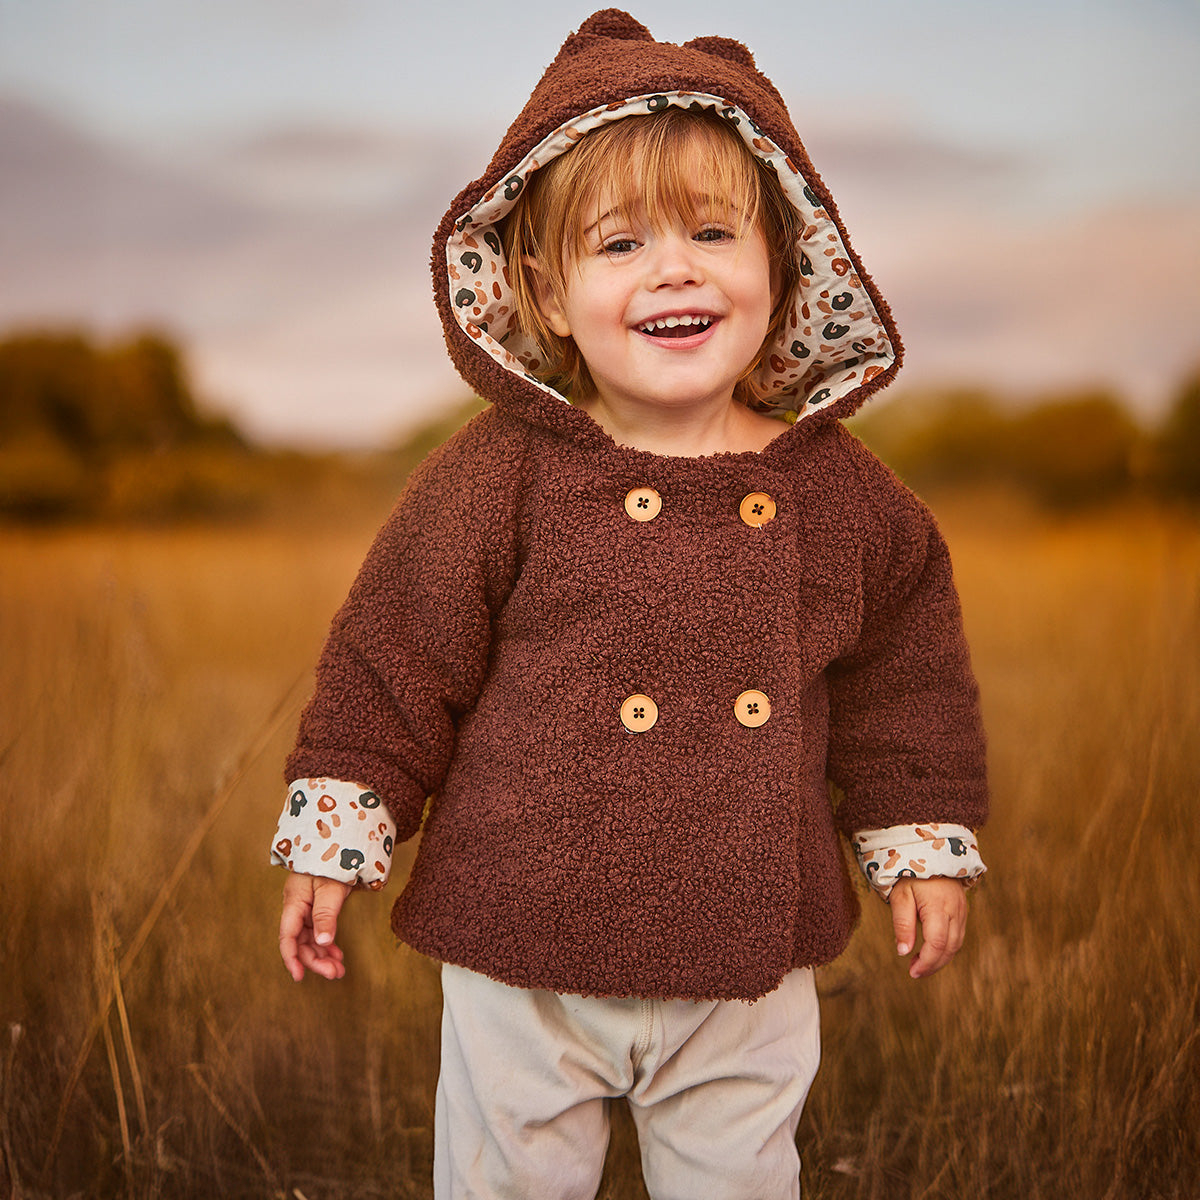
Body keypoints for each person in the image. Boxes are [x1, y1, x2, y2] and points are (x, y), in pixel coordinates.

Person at [271, 10, 988, 1198]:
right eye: (619, 246)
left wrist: (917, 837)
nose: (674, 268)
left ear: (787, 267)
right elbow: (395, 657)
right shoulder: (503, 471)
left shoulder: (840, 496)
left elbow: (904, 678)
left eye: (715, 232)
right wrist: (344, 826)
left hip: (745, 950)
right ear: (545, 294)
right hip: (525, 942)